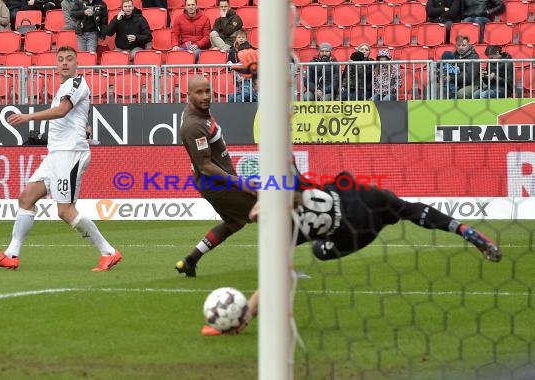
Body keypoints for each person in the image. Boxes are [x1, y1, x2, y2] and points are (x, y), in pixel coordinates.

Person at [201, 165, 503, 335]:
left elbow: (271, 284)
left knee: (319, 251)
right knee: (410, 210)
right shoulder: (295, 190)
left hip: (351, 233)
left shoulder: (282, 237)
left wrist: (244, 319)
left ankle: (238, 320)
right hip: (360, 196)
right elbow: (292, 186)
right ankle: (465, 230)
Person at [0, 46, 122, 272]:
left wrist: (29, 116)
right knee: (26, 198)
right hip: (55, 153)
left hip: (70, 153)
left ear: (77, 63)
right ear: (56, 64)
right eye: (60, 60)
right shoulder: (65, 86)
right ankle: (11, 254)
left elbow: (61, 111)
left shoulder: (77, 84)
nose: (65, 63)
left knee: (65, 211)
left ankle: (109, 252)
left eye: (69, 59)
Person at [175, 75, 258, 277]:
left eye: (207, 91)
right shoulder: (193, 126)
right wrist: (239, 183)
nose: (205, 96)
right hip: (217, 184)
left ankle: (190, 260)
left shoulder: (200, 114)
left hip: (217, 181)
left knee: (235, 222)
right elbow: (205, 166)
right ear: (188, 95)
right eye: (199, 92)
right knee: (270, 212)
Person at [453, 34, 481, 99]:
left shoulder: (474, 56)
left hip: (473, 85)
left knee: (461, 93)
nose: (461, 47)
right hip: (457, 84)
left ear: (468, 45)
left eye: (463, 45)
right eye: (459, 45)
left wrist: (451, 77)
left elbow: (469, 77)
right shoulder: (453, 56)